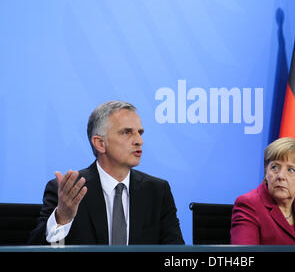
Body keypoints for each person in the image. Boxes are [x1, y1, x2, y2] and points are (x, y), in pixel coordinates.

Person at [29, 101, 184, 245]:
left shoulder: (157, 191)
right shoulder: (68, 191)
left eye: (139, 132)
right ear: (100, 143)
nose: (139, 140)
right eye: (127, 132)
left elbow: (176, 254)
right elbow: (37, 249)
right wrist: (62, 218)